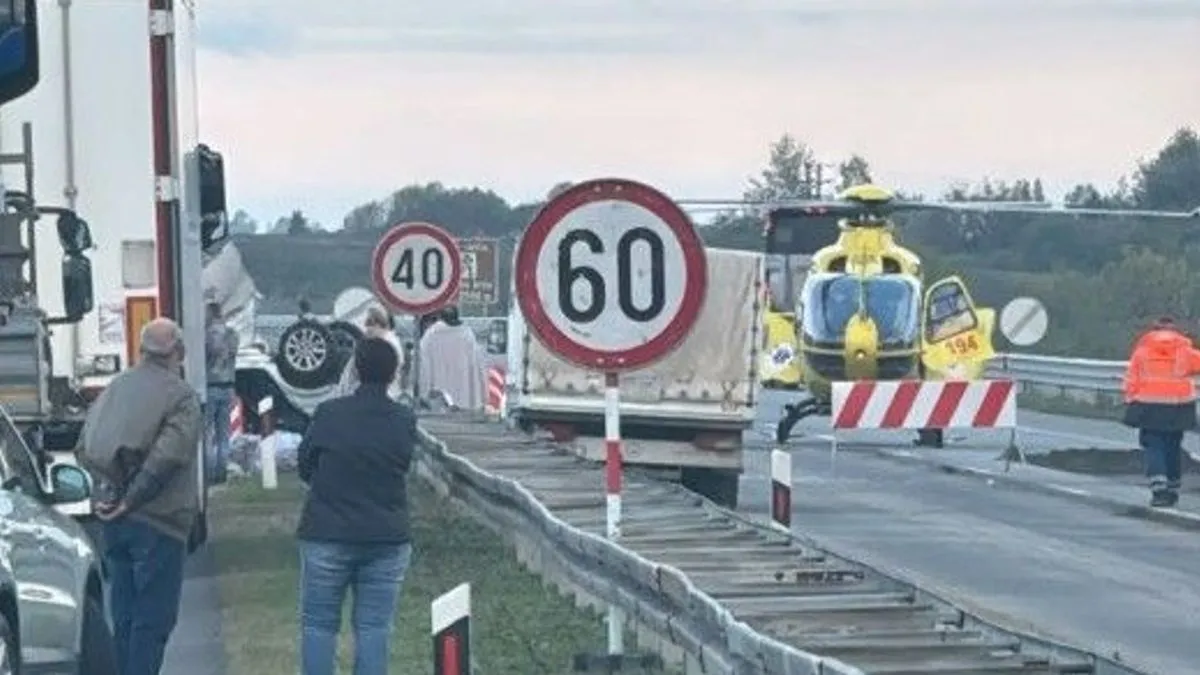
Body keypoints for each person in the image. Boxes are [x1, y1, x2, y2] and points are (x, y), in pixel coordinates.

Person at [76, 318, 203, 675]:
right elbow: (168, 457)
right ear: (178, 352)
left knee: (125, 616)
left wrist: (107, 493)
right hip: (159, 520)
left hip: (114, 524)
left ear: (141, 350)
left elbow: (85, 446)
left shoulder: (114, 389)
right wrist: (131, 499)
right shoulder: (181, 397)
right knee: (153, 619)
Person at [297, 337, 418, 675]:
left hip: (327, 531)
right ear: (393, 374)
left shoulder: (329, 413)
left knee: (319, 624)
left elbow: (305, 464)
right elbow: (403, 464)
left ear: (356, 369)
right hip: (386, 536)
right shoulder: (403, 419)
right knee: (374, 627)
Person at [1122, 316, 1200, 507]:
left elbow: (1131, 379)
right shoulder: (1184, 350)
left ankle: (1159, 488)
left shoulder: (1142, 351)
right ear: (1175, 330)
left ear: (1154, 330)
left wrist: (1131, 401)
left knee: (1154, 445)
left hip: (1149, 405)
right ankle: (1173, 486)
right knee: (1173, 446)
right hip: (1179, 406)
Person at [417, 305, 485, 410]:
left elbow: (423, 365)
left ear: (441, 317)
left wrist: (425, 391)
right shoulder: (467, 334)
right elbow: (475, 365)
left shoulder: (431, 335)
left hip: (438, 396)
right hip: (463, 394)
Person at [335, 307, 404, 400]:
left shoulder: (384, 346)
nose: (366, 327)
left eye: (370, 323)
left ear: (380, 325)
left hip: (372, 397)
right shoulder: (379, 343)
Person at [205, 300, 239, 483]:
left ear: (210, 314)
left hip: (211, 386)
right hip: (228, 387)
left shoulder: (207, 335)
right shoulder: (232, 334)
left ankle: (209, 472)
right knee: (223, 435)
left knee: (207, 433)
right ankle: (222, 470)